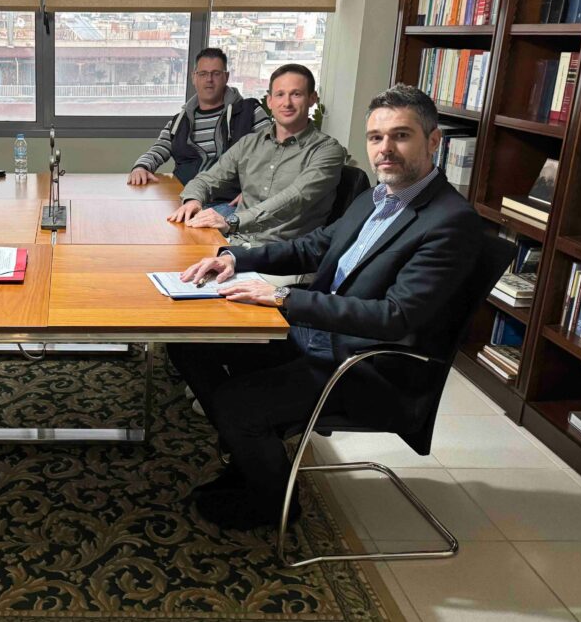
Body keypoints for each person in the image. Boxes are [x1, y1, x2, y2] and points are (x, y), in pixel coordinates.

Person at [167, 83, 485, 532]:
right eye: (375, 137)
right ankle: (250, 456)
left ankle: (272, 502)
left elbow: (395, 318)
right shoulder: (378, 197)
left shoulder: (450, 222)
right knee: (190, 343)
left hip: (367, 365)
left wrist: (285, 298)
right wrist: (235, 258)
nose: (385, 149)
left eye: (401, 136)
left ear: (433, 141)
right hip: (321, 335)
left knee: (237, 404)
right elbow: (315, 246)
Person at [167, 64, 346, 248]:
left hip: (283, 253)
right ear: (269, 101)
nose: (287, 103)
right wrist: (193, 201)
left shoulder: (327, 150)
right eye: (280, 94)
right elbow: (206, 180)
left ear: (312, 98)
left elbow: (294, 199)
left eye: (296, 94)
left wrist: (232, 221)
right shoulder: (249, 143)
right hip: (236, 244)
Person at [128, 48, 268, 215]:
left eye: (216, 73)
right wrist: (141, 167)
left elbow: (274, 154)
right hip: (184, 198)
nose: (209, 79)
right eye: (203, 74)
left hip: (230, 203)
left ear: (226, 77)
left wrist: (254, 190)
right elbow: (158, 149)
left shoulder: (250, 111)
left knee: (196, 227)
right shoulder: (179, 121)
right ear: (194, 77)